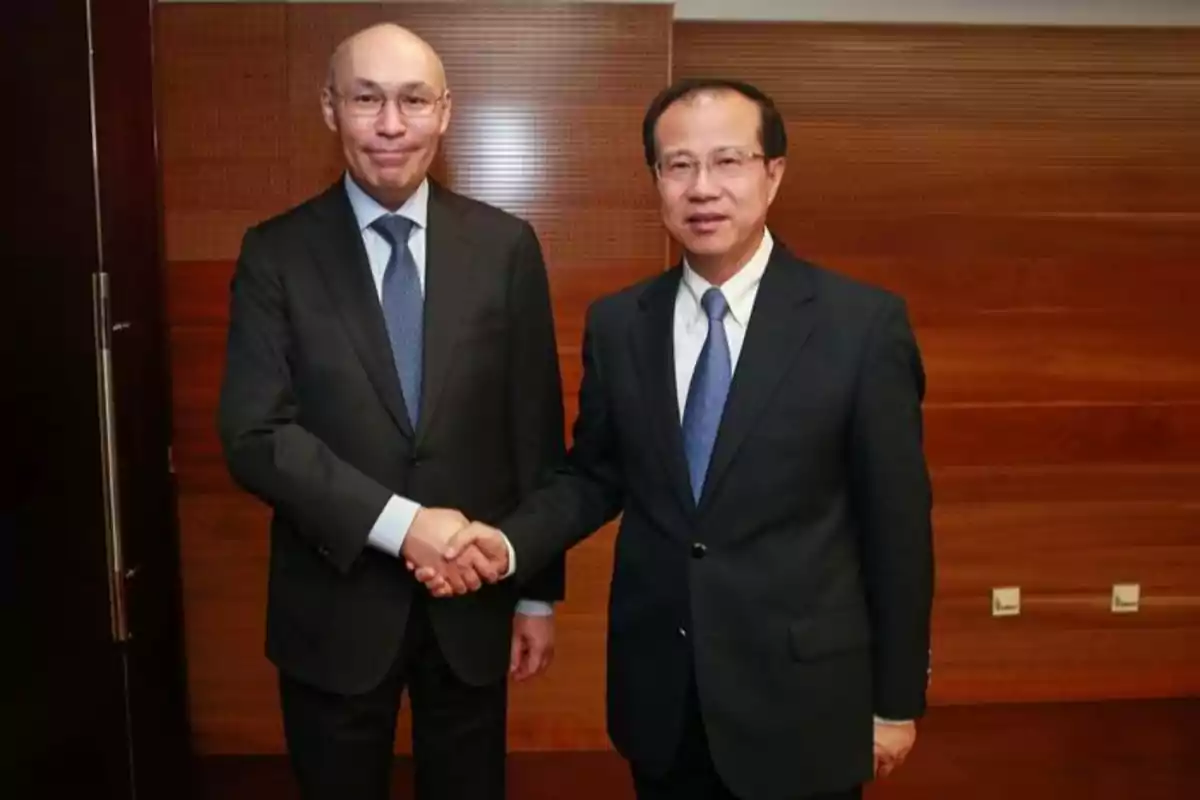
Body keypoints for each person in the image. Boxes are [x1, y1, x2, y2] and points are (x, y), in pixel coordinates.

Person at [423, 78, 935, 800]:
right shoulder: (620, 323)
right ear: (656, 181)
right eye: (678, 165)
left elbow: (899, 529)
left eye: (728, 161)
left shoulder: (862, 326)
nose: (703, 188)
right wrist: (507, 545)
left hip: (804, 702)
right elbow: (594, 476)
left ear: (773, 173)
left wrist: (896, 699)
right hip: (663, 695)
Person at [217, 23, 566, 800]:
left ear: (445, 113)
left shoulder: (505, 246)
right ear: (330, 108)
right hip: (331, 610)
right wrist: (403, 522)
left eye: (413, 100)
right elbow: (253, 433)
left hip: (472, 609)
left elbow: (534, 428)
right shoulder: (275, 252)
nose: (390, 124)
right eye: (366, 98)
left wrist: (536, 590)